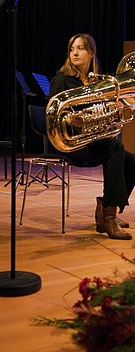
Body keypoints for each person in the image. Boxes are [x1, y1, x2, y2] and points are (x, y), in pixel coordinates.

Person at [48, 33, 135, 241]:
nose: (75, 53)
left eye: (80, 48)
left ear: (91, 53)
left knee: (132, 162)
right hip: (72, 145)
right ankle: (109, 218)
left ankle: (106, 208)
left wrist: (115, 109)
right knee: (115, 148)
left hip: (94, 142)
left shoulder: (96, 82)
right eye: (72, 48)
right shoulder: (61, 80)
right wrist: (70, 120)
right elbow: (51, 114)